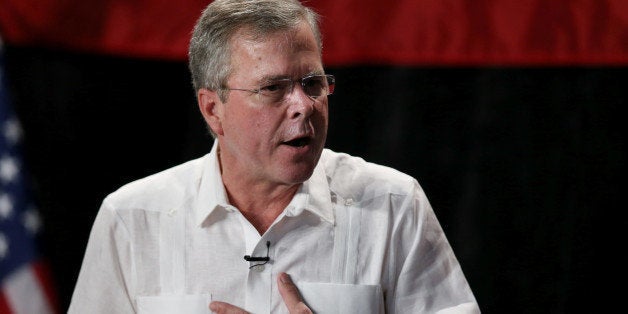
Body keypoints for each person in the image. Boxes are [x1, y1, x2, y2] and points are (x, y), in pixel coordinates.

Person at [68, 0, 480, 313]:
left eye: (312, 82)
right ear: (213, 109)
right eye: (273, 88)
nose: (303, 105)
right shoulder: (133, 217)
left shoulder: (393, 205)